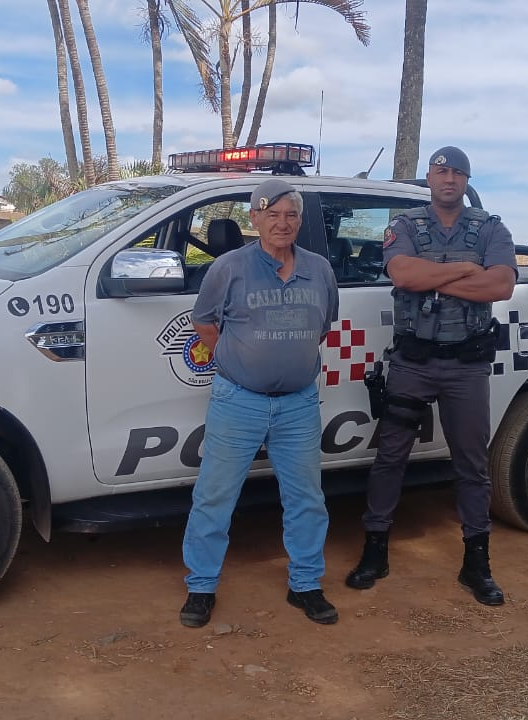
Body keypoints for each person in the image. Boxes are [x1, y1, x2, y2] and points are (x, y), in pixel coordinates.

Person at [345, 147, 518, 606]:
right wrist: (464, 269)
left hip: (467, 366)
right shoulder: (404, 225)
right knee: (390, 458)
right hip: (412, 363)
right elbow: (402, 274)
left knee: (471, 464)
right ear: (429, 177)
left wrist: (431, 276)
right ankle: (374, 552)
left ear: (466, 180)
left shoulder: (490, 227)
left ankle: (476, 563)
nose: (450, 179)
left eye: (459, 172)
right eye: (442, 171)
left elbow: (500, 285)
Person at [179, 178, 341, 627]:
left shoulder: (320, 270)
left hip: (299, 404)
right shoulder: (228, 269)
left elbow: (322, 326)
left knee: (307, 498)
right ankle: (201, 587)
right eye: (272, 214)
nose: (282, 223)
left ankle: (306, 584)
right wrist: (240, 361)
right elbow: (206, 324)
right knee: (214, 496)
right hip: (238, 401)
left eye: (291, 215)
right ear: (254, 218)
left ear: (300, 221)